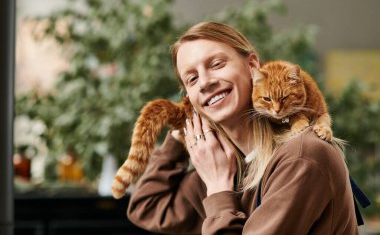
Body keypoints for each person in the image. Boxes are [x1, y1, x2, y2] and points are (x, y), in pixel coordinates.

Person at [126, 21, 359, 234]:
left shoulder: (302, 156)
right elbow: (146, 208)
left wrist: (218, 193)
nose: (206, 82)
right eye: (192, 79)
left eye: (216, 64)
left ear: (252, 66)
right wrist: (181, 135)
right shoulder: (228, 167)